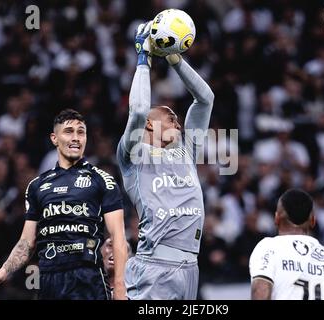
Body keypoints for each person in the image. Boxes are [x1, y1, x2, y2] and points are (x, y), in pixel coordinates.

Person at [0, 109, 128, 300]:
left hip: (86, 277)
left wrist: (119, 286)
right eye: (69, 131)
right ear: (54, 138)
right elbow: (27, 242)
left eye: (81, 132)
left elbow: (118, 236)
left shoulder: (103, 180)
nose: (76, 138)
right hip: (48, 279)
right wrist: (4, 271)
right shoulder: (37, 186)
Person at [117, 22, 214, 300]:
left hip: (190, 267)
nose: (177, 120)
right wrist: (143, 58)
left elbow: (205, 99)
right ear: (149, 124)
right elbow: (136, 110)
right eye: (170, 115)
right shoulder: (132, 154)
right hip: (154, 267)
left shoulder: (186, 150)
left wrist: (175, 58)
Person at [101, 235, 132, 299]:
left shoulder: (136, 291)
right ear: (100, 252)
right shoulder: (87, 287)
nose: (115, 251)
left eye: (121, 248)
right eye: (110, 246)